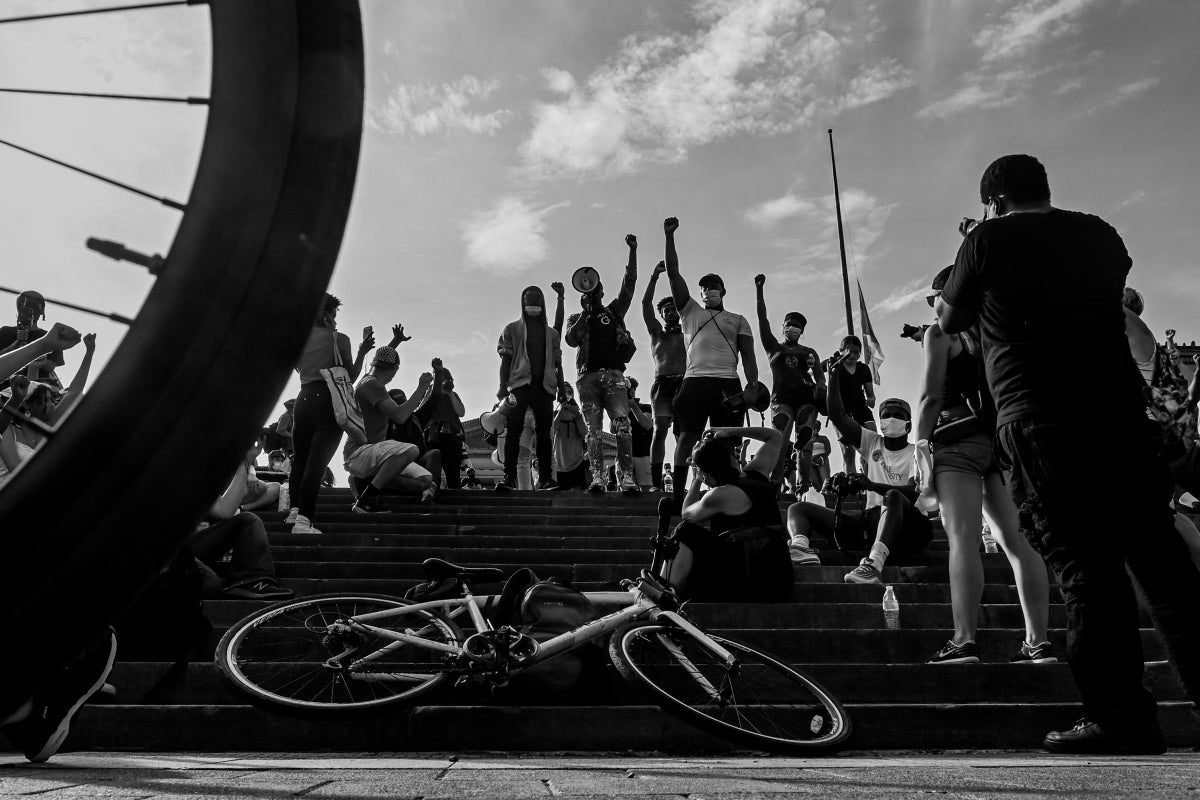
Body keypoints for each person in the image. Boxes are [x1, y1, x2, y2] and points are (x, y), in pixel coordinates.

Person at [937, 153, 1200, 754]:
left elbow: (950, 317)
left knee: (1088, 576)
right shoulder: (1101, 234)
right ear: (1044, 188)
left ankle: (1122, 718)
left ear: (993, 201)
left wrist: (975, 246)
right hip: (1118, 421)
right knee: (1166, 572)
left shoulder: (984, 241)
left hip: (1039, 424)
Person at [916, 266, 1052, 666]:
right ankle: (1037, 641)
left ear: (948, 295)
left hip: (957, 441)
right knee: (1018, 542)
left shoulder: (941, 333)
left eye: (933, 298)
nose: (933, 307)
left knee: (963, 539)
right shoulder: (1000, 327)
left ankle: (963, 640)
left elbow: (929, 398)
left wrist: (920, 445)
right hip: (1002, 440)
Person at [785, 355, 932, 574]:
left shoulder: (916, 452)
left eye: (898, 415)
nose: (891, 418)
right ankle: (800, 547)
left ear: (908, 425)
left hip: (908, 526)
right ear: (880, 422)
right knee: (798, 508)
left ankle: (874, 563)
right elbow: (838, 415)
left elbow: (912, 493)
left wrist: (870, 485)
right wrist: (833, 376)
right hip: (871, 523)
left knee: (892, 496)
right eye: (886, 415)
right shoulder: (872, 441)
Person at [661, 216, 759, 505]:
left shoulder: (737, 319)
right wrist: (669, 236)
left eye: (714, 285)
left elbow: (749, 355)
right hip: (694, 382)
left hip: (728, 384)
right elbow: (673, 274)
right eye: (705, 287)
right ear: (700, 292)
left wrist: (752, 385)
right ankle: (679, 497)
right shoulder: (690, 311)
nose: (709, 290)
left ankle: (727, 495)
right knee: (686, 439)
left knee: (728, 442)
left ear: (723, 291)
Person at [664, 426, 792, 602]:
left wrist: (696, 479)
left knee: (685, 531)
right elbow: (775, 436)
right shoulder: (758, 473)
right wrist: (729, 431)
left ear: (707, 472)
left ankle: (666, 591)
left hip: (749, 582)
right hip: (778, 581)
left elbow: (687, 514)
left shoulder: (720, 495)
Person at [287, 294, 375, 534]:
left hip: (303, 399)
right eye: (334, 316)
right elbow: (350, 376)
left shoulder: (298, 340)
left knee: (300, 461)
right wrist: (362, 351)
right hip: (329, 401)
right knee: (316, 464)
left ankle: (294, 510)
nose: (336, 321)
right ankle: (304, 522)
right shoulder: (339, 339)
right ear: (326, 315)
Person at [564, 234, 640, 494]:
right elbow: (571, 340)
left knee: (622, 426)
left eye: (596, 289)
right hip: (588, 377)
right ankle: (597, 476)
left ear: (602, 291)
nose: (592, 293)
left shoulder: (614, 312)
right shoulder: (577, 317)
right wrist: (587, 313)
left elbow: (629, 286)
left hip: (614, 375)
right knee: (594, 432)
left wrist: (633, 252)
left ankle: (626, 477)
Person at [343, 346, 435, 511]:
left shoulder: (367, 380)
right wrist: (421, 388)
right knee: (411, 450)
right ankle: (367, 498)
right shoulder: (373, 385)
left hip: (371, 455)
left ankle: (365, 483)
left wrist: (396, 341)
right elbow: (400, 416)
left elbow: (385, 354)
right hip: (360, 452)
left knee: (426, 479)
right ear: (395, 370)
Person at [189, 456, 294, 601]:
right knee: (208, 584)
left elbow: (224, 510)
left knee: (249, 521)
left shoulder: (194, 477)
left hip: (190, 546)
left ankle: (253, 581)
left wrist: (247, 460)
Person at [754, 273, 824, 487]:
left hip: (806, 400)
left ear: (802, 331)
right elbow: (762, 320)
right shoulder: (773, 347)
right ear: (783, 326)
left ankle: (804, 487)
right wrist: (759, 291)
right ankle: (774, 483)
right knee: (778, 442)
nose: (792, 327)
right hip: (781, 400)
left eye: (797, 326)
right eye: (790, 324)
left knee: (806, 441)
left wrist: (820, 389)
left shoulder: (809, 351)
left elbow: (820, 377)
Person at [496, 286, 565, 491]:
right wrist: (502, 387)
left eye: (537, 297)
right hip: (519, 386)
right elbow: (505, 359)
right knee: (513, 431)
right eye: (529, 297)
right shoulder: (512, 329)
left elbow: (557, 363)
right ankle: (510, 477)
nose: (533, 300)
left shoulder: (551, 334)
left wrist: (561, 387)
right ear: (522, 301)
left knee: (545, 433)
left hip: (544, 388)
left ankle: (545, 478)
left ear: (543, 302)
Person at [642, 260, 687, 492]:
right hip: (662, 385)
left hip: (685, 384)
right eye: (665, 310)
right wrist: (654, 276)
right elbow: (645, 303)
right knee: (660, 430)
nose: (669, 312)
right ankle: (655, 482)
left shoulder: (689, 333)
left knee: (683, 434)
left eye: (673, 309)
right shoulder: (656, 333)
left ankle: (680, 482)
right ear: (661, 314)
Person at [824, 335, 875, 474]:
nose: (853, 355)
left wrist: (871, 398)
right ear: (841, 351)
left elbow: (871, 394)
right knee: (848, 453)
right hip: (841, 412)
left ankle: (870, 481)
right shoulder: (834, 364)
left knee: (873, 447)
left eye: (857, 352)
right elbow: (814, 370)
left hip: (861, 410)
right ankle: (850, 486)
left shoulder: (863, 369)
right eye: (849, 351)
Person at [416, 356, 466, 489]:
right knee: (433, 473)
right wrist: (430, 392)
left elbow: (461, 412)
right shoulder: (427, 393)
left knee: (453, 475)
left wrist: (449, 394)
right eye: (438, 377)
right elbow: (420, 411)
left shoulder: (453, 395)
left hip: (451, 436)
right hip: (431, 436)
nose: (441, 381)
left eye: (444, 378)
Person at [386, 387, 444, 498]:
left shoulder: (416, 418)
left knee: (435, 453)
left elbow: (435, 399)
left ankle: (428, 492)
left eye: (404, 403)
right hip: (395, 466)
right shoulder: (383, 422)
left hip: (418, 463)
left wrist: (439, 373)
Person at [0, 290, 64, 389]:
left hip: (35, 396)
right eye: (24, 305)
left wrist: (37, 359)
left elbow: (51, 365)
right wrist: (15, 346)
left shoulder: (49, 337)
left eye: (33, 306)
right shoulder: (5, 332)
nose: (28, 310)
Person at [552, 384, 589, 490]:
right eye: (564, 392)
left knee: (578, 496)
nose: (567, 395)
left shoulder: (578, 414)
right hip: (559, 464)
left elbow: (584, 434)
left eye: (570, 392)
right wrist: (560, 411)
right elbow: (552, 431)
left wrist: (577, 415)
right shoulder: (555, 413)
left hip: (577, 463)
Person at [627, 377, 655, 491]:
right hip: (625, 456)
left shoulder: (645, 407)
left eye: (632, 390)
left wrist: (633, 406)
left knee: (647, 488)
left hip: (644, 454)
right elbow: (612, 430)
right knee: (624, 489)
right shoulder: (619, 409)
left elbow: (647, 424)